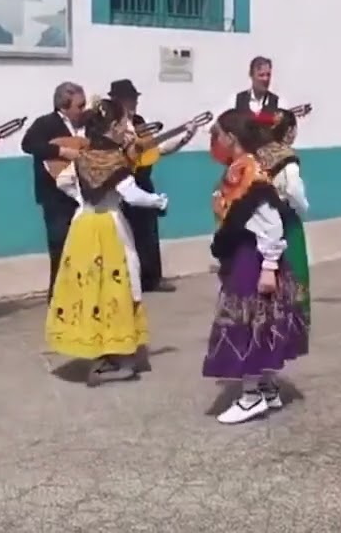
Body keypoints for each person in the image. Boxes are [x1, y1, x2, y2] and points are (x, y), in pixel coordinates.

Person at [44, 98, 168, 386]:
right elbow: (132, 194)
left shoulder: (83, 156)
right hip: (109, 227)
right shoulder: (114, 159)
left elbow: (62, 180)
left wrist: (80, 199)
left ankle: (100, 348)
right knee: (119, 285)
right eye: (123, 123)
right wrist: (158, 201)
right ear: (113, 126)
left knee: (91, 287)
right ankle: (113, 356)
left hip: (83, 225)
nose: (127, 128)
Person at [202, 108, 306, 424]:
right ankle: (267, 387)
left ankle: (251, 397)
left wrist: (269, 266)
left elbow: (271, 223)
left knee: (248, 325)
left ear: (231, 137)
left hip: (255, 258)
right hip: (247, 254)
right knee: (261, 323)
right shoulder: (241, 169)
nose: (215, 140)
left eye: (218, 134)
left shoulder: (251, 174)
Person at [109, 78, 196, 293]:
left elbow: (157, 150)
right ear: (117, 101)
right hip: (121, 181)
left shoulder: (140, 122)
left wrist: (184, 138)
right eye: (129, 99)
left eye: (134, 98)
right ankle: (127, 278)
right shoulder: (111, 124)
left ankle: (152, 278)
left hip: (143, 178)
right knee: (124, 232)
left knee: (148, 230)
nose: (134, 102)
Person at [20, 81, 87, 292]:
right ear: (64, 106)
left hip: (84, 192)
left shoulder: (86, 125)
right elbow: (28, 144)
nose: (83, 109)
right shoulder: (46, 123)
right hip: (55, 195)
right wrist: (62, 152)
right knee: (60, 245)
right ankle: (58, 295)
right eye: (79, 105)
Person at [255, 108, 312, 331]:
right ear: (289, 131)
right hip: (285, 217)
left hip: (260, 217)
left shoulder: (258, 154)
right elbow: (294, 190)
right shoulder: (287, 159)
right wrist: (303, 207)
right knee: (293, 265)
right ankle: (293, 316)